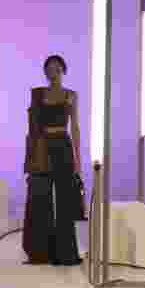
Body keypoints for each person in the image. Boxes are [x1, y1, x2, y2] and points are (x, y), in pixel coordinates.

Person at [22, 54, 83, 265]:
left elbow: (75, 127)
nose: (53, 73)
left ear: (63, 70)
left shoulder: (71, 95)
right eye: (49, 69)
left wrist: (78, 159)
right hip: (42, 147)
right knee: (41, 199)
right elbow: (32, 127)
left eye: (56, 68)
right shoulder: (38, 94)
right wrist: (31, 156)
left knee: (65, 200)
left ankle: (66, 252)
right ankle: (41, 252)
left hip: (63, 146)